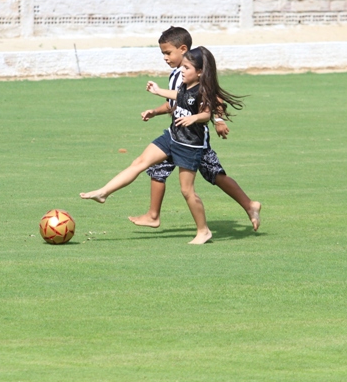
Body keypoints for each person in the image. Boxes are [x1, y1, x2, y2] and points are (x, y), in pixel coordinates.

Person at [80, 47, 238, 245]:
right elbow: (175, 97)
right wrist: (157, 92)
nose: (182, 70)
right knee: (139, 162)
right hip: (171, 138)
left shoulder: (202, 91)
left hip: (189, 146)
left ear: (199, 72)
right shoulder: (185, 86)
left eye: (187, 67)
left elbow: (207, 113)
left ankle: (203, 231)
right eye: (183, 66)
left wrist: (195, 118)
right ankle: (103, 192)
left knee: (187, 191)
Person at [128, 26, 262, 232]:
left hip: (194, 140)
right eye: (162, 53)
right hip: (178, 136)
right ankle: (153, 215)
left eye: (167, 52)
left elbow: (213, 98)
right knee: (157, 169)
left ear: (183, 49)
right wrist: (155, 112)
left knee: (214, 174)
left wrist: (218, 120)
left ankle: (249, 205)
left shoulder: (195, 74)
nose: (164, 57)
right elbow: (174, 104)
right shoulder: (178, 75)